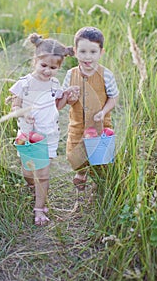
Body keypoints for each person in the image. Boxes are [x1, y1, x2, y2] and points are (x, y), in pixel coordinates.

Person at [7, 33, 78, 226]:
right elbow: (14, 106)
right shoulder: (24, 84)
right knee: (29, 172)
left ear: (59, 67)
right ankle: (33, 186)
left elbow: (56, 107)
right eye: (44, 65)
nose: (48, 71)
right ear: (35, 61)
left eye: (53, 67)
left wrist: (68, 97)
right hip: (27, 135)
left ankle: (39, 207)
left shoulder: (55, 84)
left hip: (48, 136)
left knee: (43, 174)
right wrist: (23, 112)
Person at [59, 26, 119, 191]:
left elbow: (114, 97)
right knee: (75, 153)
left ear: (101, 52)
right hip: (77, 124)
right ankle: (81, 172)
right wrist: (68, 98)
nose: (88, 57)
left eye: (93, 52)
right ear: (75, 52)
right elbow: (63, 102)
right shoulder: (71, 74)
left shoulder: (106, 74)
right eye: (83, 51)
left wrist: (103, 111)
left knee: (100, 155)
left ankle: (99, 182)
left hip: (100, 123)